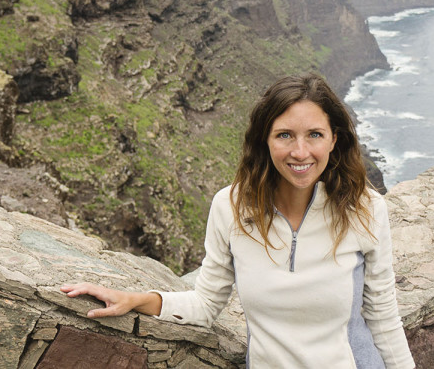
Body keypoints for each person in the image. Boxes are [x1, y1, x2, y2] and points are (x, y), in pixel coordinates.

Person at [62, 73, 415, 368]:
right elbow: (204, 305)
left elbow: (383, 319)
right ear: (266, 140)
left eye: (315, 135)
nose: (300, 152)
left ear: (334, 139)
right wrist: (135, 299)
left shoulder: (364, 208)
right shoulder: (230, 207)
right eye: (285, 135)